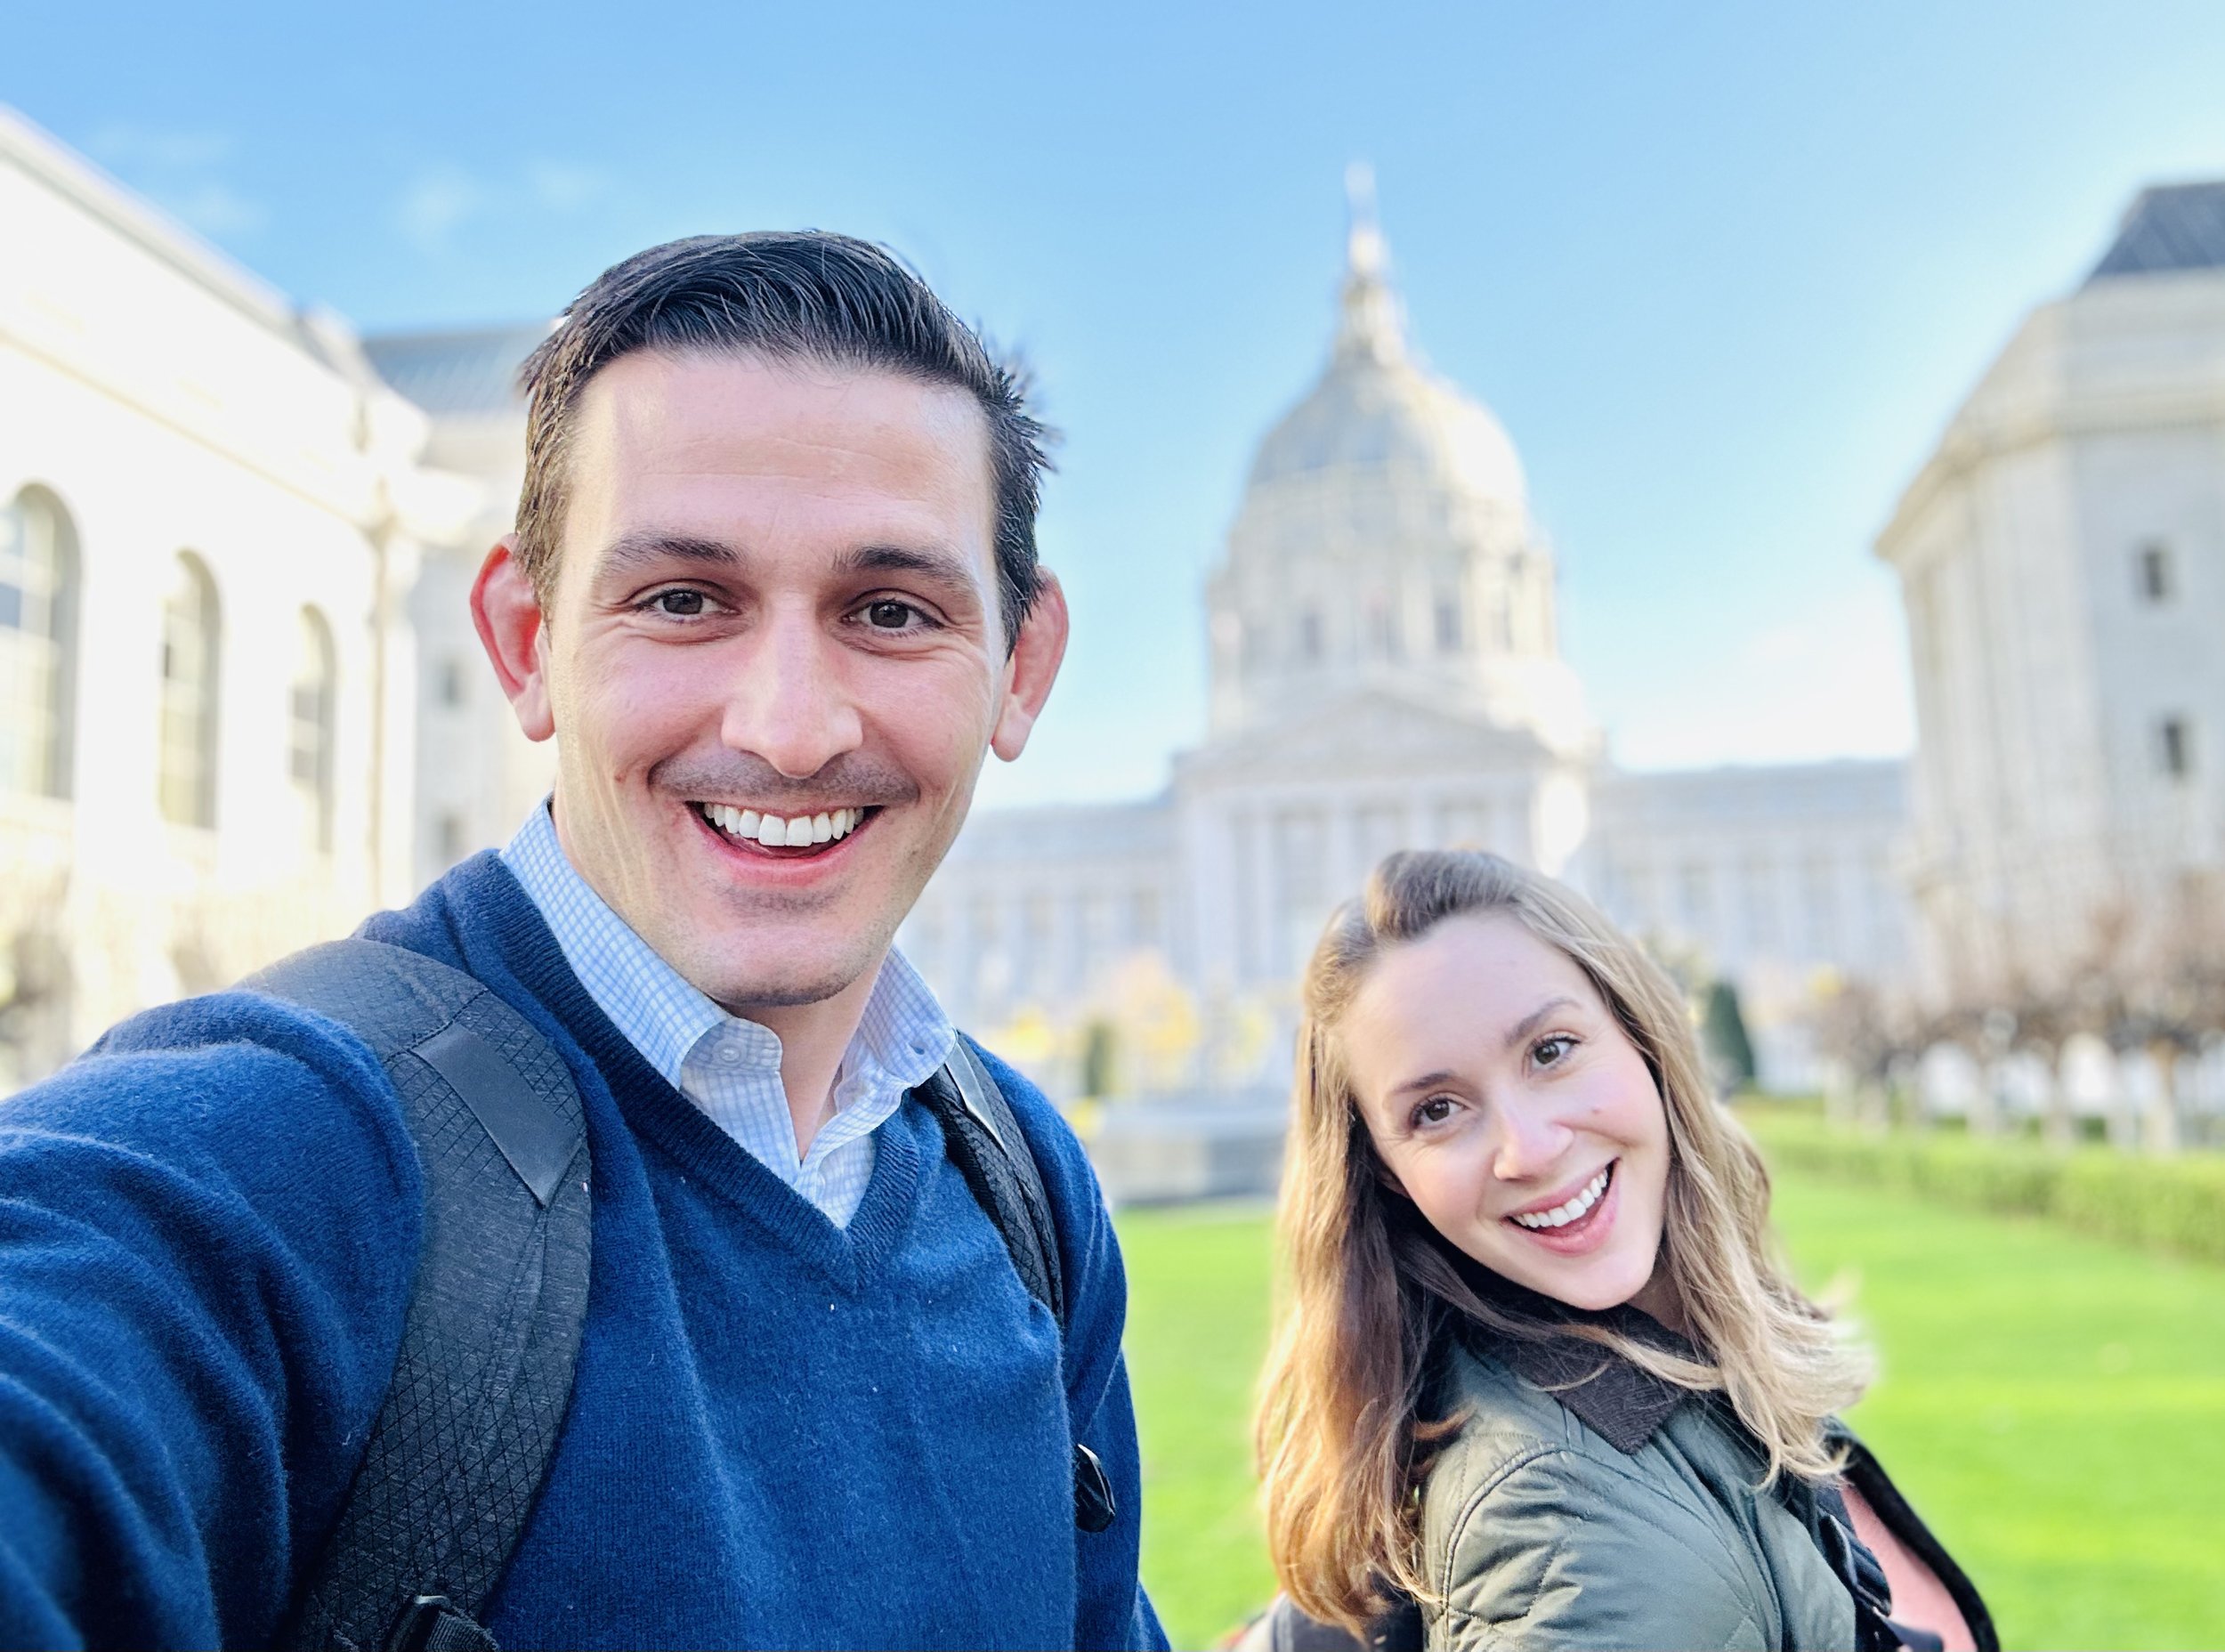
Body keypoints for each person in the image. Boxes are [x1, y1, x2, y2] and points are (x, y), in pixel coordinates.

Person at [0, 233, 1163, 1651]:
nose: (788, 729)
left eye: (890, 612)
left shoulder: (1023, 1185)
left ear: (1021, 669)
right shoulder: (288, 1150)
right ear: (524, 638)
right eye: (683, 600)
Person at [1252, 850, 1994, 1652]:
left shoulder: (1680, 1362)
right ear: (1390, 1179)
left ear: (1641, 1037)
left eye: (1549, 1051)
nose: (1528, 1150)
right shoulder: (1563, 1531)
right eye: (1437, 1110)